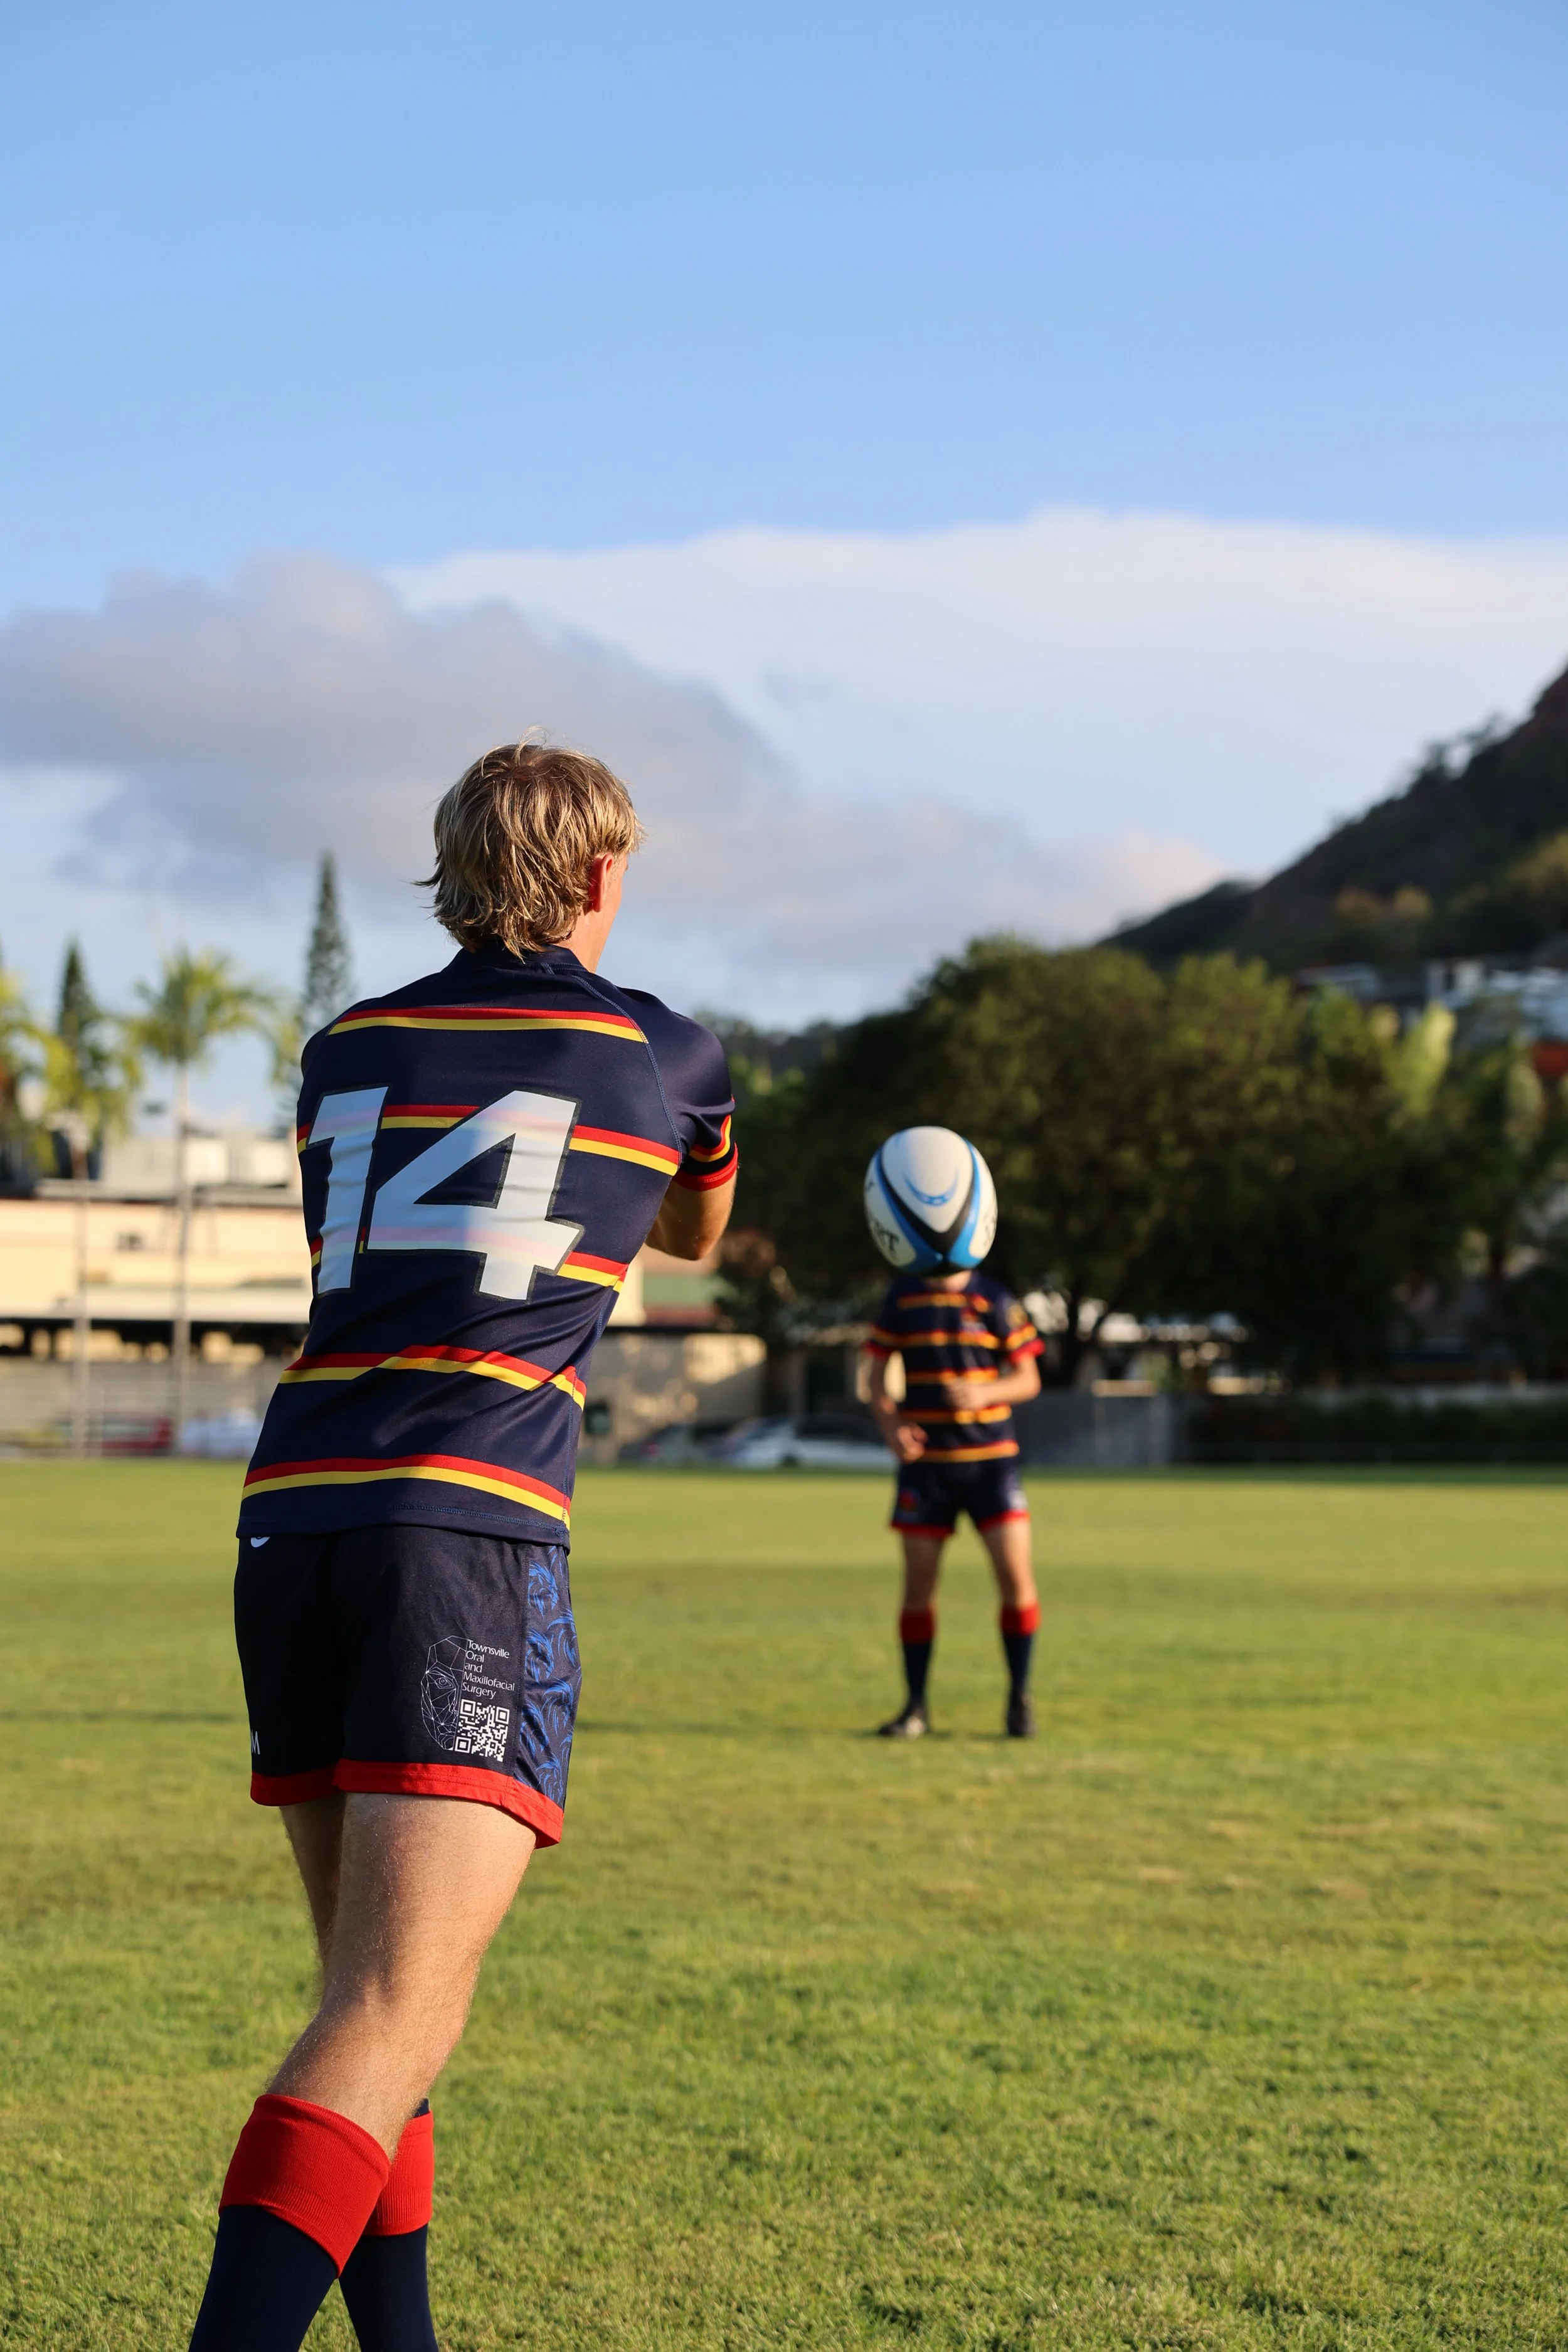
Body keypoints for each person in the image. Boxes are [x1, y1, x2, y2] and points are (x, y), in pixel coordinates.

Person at [186, 743, 738, 2352]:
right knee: (389, 2007)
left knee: (365, 1994)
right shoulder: (669, 1053)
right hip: (467, 1525)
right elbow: (689, 1233)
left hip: (293, 1518)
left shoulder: (340, 1045)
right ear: (591, 877)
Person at [863, 1261, 1044, 1740]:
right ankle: (915, 1707)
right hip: (926, 1468)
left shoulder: (995, 1298)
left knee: (1015, 1582)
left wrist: (985, 1390)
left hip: (992, 1464)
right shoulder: (902, 1297)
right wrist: (892, 1426)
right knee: (918, 1591)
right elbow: (876, 1378)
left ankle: (1019, 1700)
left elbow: (1029, 1377)